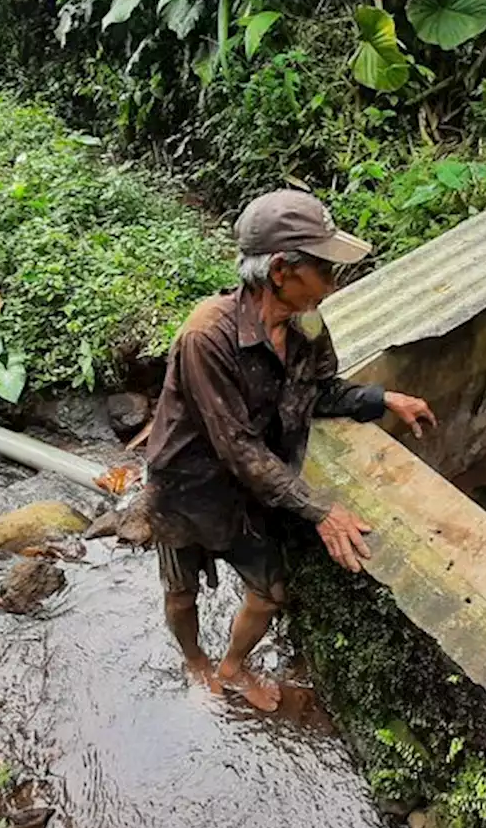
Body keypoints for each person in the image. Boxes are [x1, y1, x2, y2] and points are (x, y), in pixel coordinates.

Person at [141, 189, 437, 711]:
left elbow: (320, 390)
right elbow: (234, 445)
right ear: (281, 270)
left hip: (254, 488)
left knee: (269, 590)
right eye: (326, 270)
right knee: (181, 590)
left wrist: (381, 398)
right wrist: (319, 509)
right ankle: (194, 660)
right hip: (189, 487)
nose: (335, 282)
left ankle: (232, 666)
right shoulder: (206, 336)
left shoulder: (307, 322)